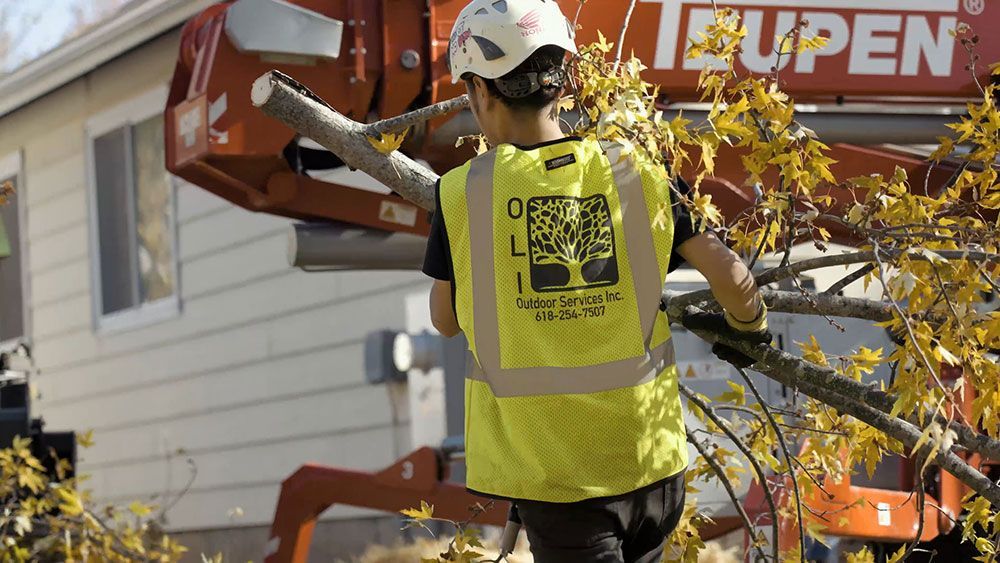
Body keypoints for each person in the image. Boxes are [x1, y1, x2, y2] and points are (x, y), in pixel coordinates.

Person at [422, 1, 771, 561]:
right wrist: (748, 331)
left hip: (560, 482)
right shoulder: (637, 170)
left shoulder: (464, 192)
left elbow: (443, 321)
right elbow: (732, 275)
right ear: (562, 83)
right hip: (653, 467)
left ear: (480, 92)